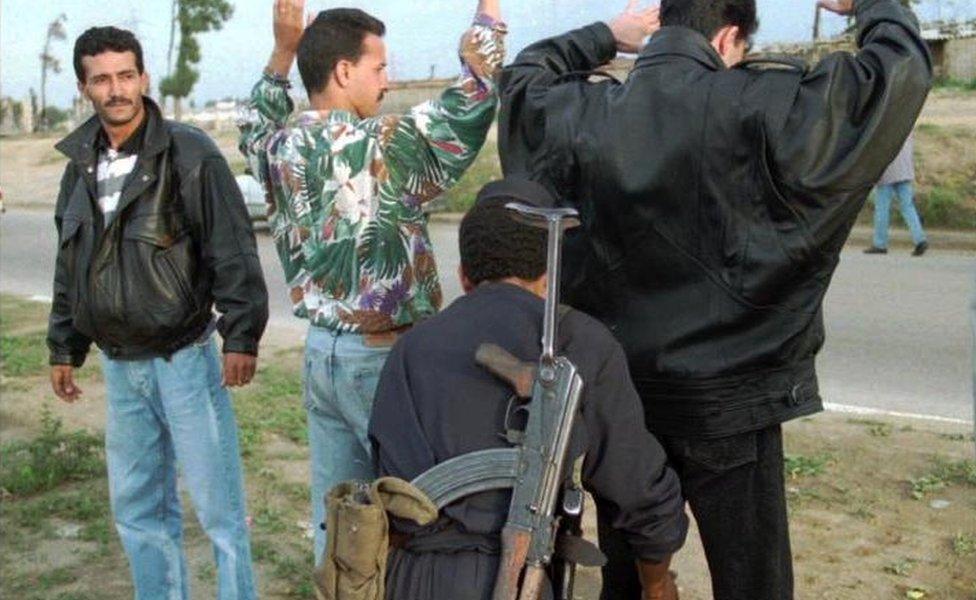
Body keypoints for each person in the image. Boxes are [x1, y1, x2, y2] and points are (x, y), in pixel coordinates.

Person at [498, 0, 932, 598]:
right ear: (729, 37)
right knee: (752, 580)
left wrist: (607, 35)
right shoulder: (762, 105)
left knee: (626, 575)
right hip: (734, 404)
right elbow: (894, 74)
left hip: (624, 401)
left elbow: (521, 82)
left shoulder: (584, 110)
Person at [238, 0, 507, 561]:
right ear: (343, 72)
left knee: (341, 526)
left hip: (322, 358)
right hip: (382, 362)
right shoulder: (383, 144)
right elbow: (474, 97)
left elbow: (255, 121)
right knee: (419, 521)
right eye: (379, 68)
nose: (386, 83)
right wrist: (488, 12)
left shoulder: (279, 148)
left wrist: (283, 50)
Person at [369, 178, 688, 600]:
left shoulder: (412, 347)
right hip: (514, 579)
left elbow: (383, 478)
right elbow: (640, 491)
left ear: (464, 277)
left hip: (409, 578)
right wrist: (657, 583)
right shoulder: (579, 340)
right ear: (548, 275)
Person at [47, 26, 269, 600]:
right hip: (121, 369)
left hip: (186, 362)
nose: (116, 89)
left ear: (143, 78)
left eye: (126, 75)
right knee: (139, 512)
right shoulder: (79, 166)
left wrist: (241, 334)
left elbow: (233, 246)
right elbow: (71, 262)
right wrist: (63, 345)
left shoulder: (190, 152)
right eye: (101, 79)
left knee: (220, 510)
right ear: (84, 88)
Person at [864, 132, 928, 256]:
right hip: (905, 170)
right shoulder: (907, 126)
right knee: (908, 207)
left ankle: (880, 244)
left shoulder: (887, 126)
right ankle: (920, 239)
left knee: (882, 209)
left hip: (887, 173)